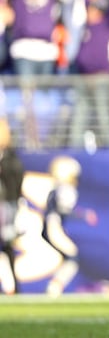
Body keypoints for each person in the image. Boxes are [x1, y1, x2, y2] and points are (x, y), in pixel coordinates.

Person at [42, 156, 98, 297]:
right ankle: (55, 286)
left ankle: (55, 285)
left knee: (69, 258)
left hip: (51, 226)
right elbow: (64, 209)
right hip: (53, 227)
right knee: (72, 258)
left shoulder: (56, 188)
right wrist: (84, 215)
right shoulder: (63, 189)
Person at [0, 118, 25, 295]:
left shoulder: (11, 158)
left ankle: (13, 286)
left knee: (7, 245)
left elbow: (15, 182)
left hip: (6, 207)